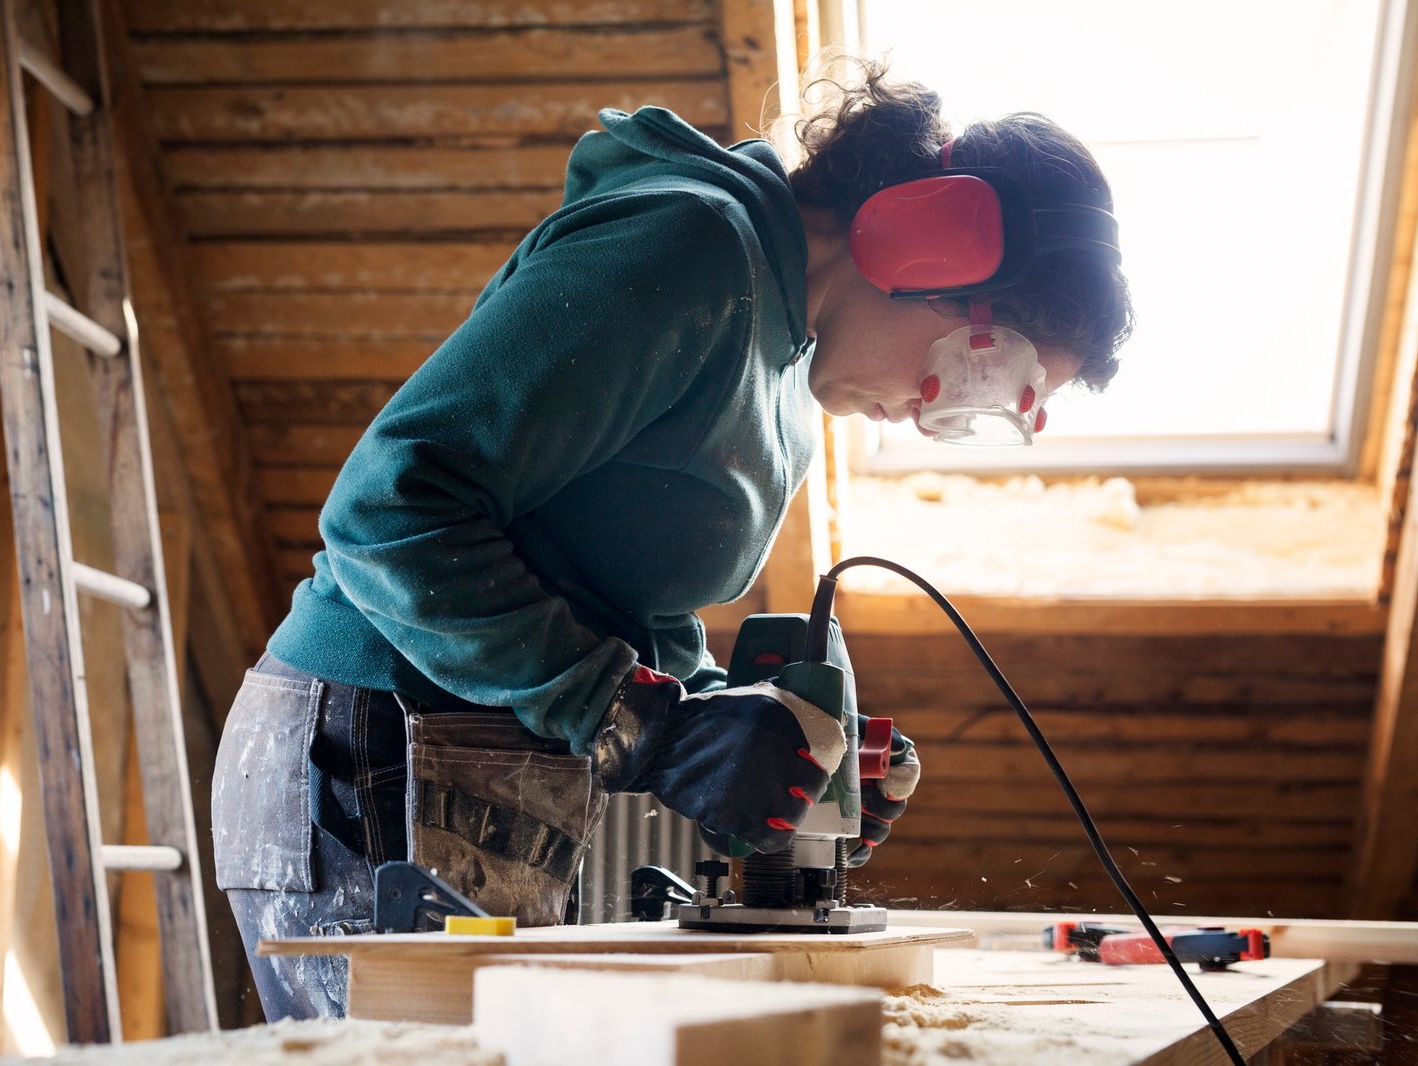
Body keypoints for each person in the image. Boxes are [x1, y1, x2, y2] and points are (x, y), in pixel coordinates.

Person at [210, 56, 1133, 1020]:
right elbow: (387, 507)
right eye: (979, 368)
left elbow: (617, 597)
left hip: (476, 766)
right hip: (370, 752)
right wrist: (642, 721)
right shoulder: (689, 246)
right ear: (924, 245)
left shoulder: (784, 361)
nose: (927, 409)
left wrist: (773, 745)